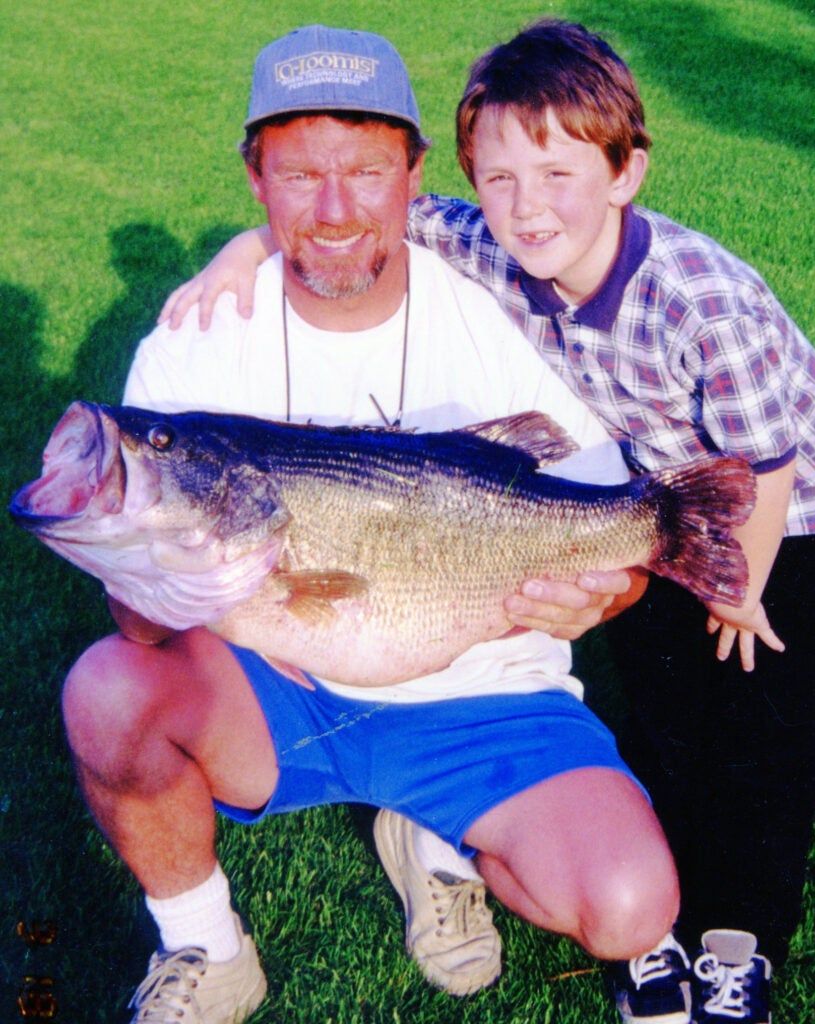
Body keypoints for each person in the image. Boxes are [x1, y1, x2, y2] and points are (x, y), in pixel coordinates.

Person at [163, 18, 815, 1024]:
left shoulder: (704, 305)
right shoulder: (491, 238)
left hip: (789, 504)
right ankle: (659, 913)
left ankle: (737, 935)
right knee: (663, 706)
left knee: (760, 719)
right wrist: (244, 248)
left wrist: (738, 588)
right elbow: (375, 215)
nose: (527, 209)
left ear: (627, 172)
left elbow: (774, 457)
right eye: (499, 179)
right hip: (652, 485)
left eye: (558, 176)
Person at [62, 24, 694, 1024]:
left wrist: (605, 587)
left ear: (413, 171)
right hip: (275, 687)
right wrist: (139, 580)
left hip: (484, 689)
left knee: (630, 906)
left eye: (365, 169)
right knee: (106, 688)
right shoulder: (195, 342)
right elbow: (146, 630)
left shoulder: (489, 315)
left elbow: (600, 524)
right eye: (301, 173)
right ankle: (205, 944)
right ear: (255, 178)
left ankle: (435, 830)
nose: (336, 209)